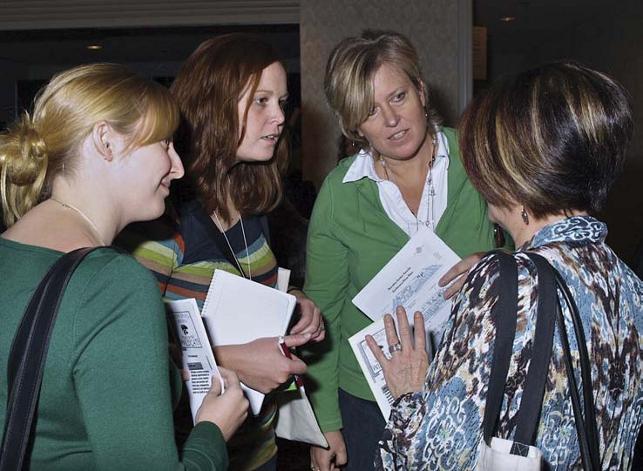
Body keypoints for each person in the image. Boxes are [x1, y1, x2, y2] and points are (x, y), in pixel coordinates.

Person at [369, 62, 643, 469]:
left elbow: (433, 460)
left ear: (508, 173)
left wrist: (410, 391)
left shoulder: (506, 284)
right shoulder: (630, 284)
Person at [0, 63, 248, 469]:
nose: (179, 166)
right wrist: (213, 432)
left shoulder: (12, 252)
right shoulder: (114, 284)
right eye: (165, 144)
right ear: (106, 141)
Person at [121, 34, 324, 471]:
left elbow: (247, 296)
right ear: (212, 104)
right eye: (261, 101)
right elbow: (123, 355)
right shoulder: (160, 217)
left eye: (281, 102)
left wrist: (296, 304)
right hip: (193, 452)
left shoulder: (251, 200)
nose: (279, 118)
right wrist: (233, 359)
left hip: (260, 446)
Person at [304, 30, 499, 471]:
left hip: (471, 387)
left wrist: (496, 266)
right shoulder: (340, 195)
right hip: (369, 402)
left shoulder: (479, 159)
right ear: (353, 126)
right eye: (370, 111)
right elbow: (322, 316)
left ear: (421, 91)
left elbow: (539, 250)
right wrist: (325, 424)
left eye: (398, 96)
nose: (391, 119)